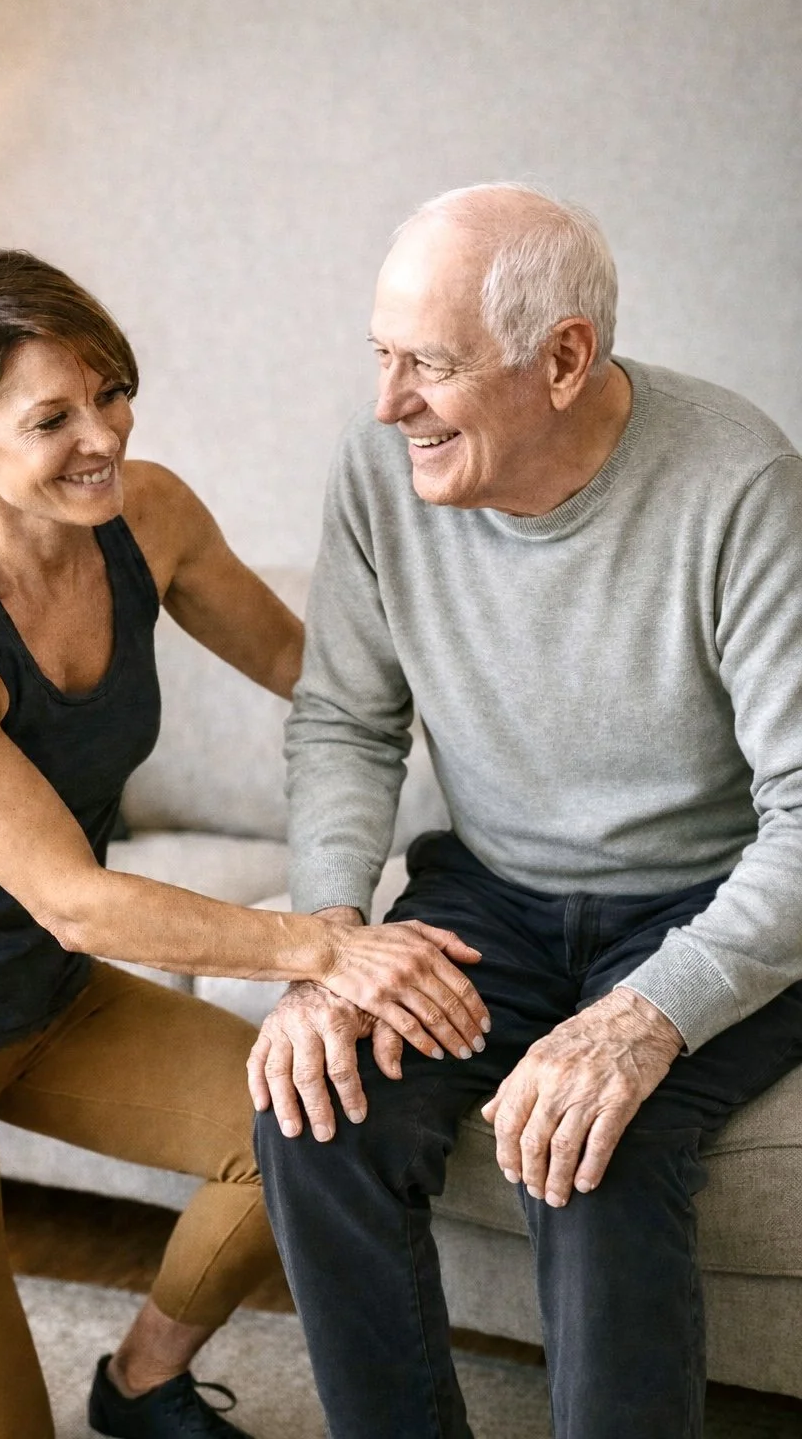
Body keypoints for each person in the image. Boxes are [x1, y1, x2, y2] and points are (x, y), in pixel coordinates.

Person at [0, 248, 488, 1439]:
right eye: (53, 417)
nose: (103, 434)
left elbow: (312, 675)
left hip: (49, 1006)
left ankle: (142, 1378)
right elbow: (77, 900)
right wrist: (322, 950)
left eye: (110, 392)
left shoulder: (144, 516)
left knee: (311, 1138)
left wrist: (515, 700)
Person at [250, 183, 802, 1439]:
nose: (389, 405)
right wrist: (328, 937)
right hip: (488, 893)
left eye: (427, 368)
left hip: (705, 897)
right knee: (319, 1104)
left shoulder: (740, 483)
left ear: (563, 359)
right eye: (380, 359)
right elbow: (346, 718)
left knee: (594, 1157)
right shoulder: (377, 467)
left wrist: (644, 1018)